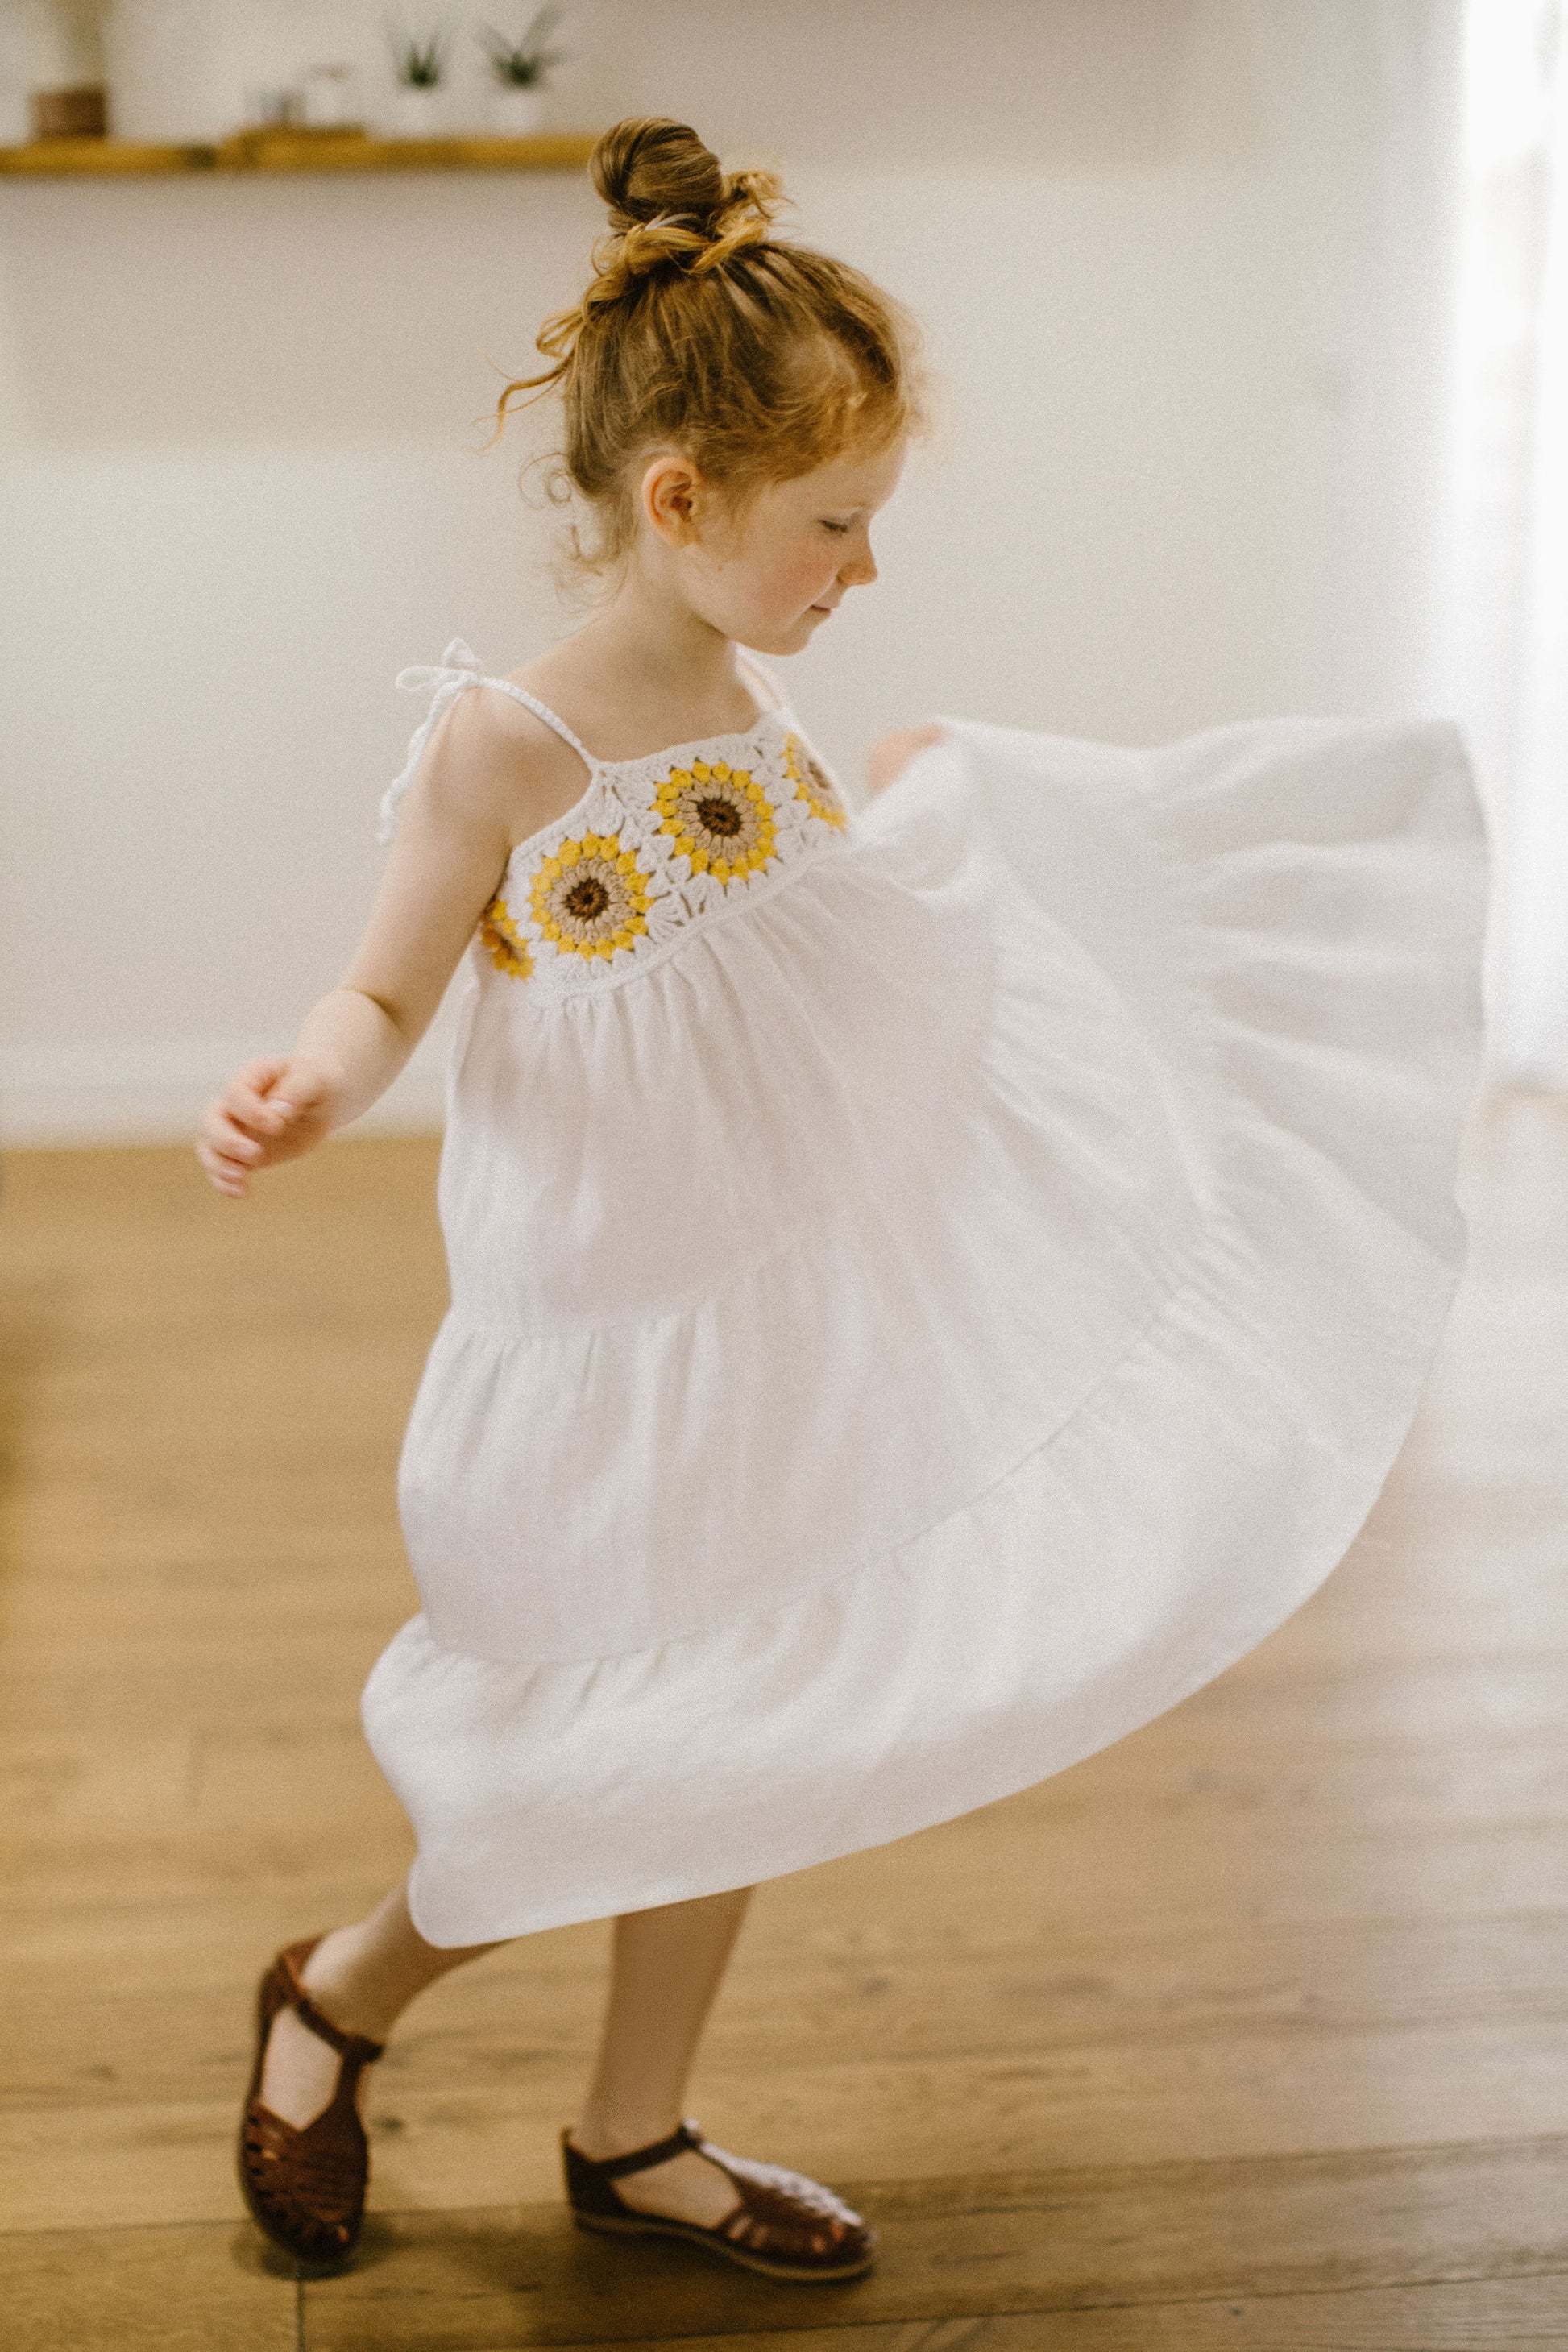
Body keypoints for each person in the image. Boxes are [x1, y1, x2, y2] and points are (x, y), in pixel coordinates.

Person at [196, 117, 1486, 2283]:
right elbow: (382, 977)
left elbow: (807, 954)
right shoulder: (504, 744)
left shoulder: (751, 674)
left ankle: (632, 2129)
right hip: (622, 1326)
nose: (859, 571)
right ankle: (336, 1994)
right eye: (835, 526)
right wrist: (307, 1082)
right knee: (570, 1764)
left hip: (795, 1296)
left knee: (741, 1738)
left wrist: (933, 814)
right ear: (679, 504)